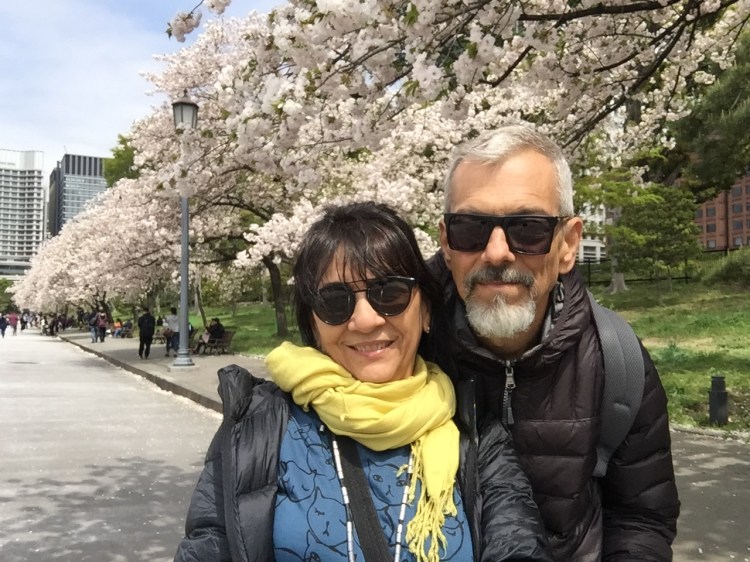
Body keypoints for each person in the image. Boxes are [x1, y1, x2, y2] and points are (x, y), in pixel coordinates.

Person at [174, 202, 550, 562]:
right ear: (314, 326)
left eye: (390, 293)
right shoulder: (256, 428)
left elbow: (517, 544)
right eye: (335, 302)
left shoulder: (478, 436)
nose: (366, 320)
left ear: (425, 312)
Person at [420, 124, 680, 561]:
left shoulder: (617, 362)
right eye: (471, 228)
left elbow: (641, 518)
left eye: (528, 229)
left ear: (568, 244)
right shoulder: (402, 345)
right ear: (446, 243)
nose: (497, 252)